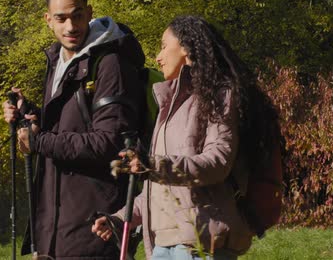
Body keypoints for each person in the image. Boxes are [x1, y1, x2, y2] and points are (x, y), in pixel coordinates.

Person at [3, 0, 145, 259]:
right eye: (61, 18)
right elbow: (69, 125)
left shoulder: (109, 64)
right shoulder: (59, 59)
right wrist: (28, 113)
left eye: (77, 15)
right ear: (48, 20)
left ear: (90, 13)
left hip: (93, 232)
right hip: (55, 231)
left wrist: (38, 141)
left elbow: (109, 142)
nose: (71, 26)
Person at [92, 15, 255, 259]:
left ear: (187, 48)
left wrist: (152, 165)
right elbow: (159, 189)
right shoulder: (168, 108)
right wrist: (120, 218)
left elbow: (218, 162)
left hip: (200, 241)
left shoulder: (219, 95)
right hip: (163, 244)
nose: (158, 56)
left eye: (164, 45)